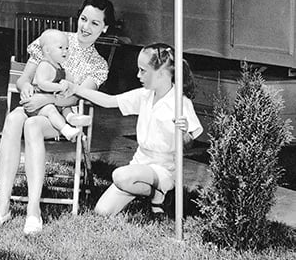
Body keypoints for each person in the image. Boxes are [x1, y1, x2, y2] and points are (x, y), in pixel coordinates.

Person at [0, 0, 115, 235]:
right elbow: (25, 77)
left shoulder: (98, 65)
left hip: (63, 115)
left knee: (33, 125)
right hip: (34, 104)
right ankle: (2, 206)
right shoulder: (54, 40)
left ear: (104, 28)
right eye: (84, 19)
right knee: (14, 118)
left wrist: (46, 99)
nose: (86, 27)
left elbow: (76, 97)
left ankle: (33, 210)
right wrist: (24, 85)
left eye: (95, 23)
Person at [64, 43, 202, 218]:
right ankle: (154, 194)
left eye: (143, 71)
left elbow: (189, 144)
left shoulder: (180, 102)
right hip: (139, 163)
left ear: (160, 73)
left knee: (120, 176)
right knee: (102, 212)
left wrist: (184, 133)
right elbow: (109, 101)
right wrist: (76, 89)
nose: (138, 75)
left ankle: (162, 192)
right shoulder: (144, 95)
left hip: (164, 170)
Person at [18, 29, 78, 140]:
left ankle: (71, 118)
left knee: (66, 106)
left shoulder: (59, 66)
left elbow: (71, 80)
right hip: (37, 105)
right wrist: (59, 87)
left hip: (53, 101)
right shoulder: (44, 65)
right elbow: (42, 84)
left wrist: (69, 83)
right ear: (47, 50)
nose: (65, 51)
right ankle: (66, 129)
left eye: (67, 48)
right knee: (51, 110)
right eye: (60, 48)